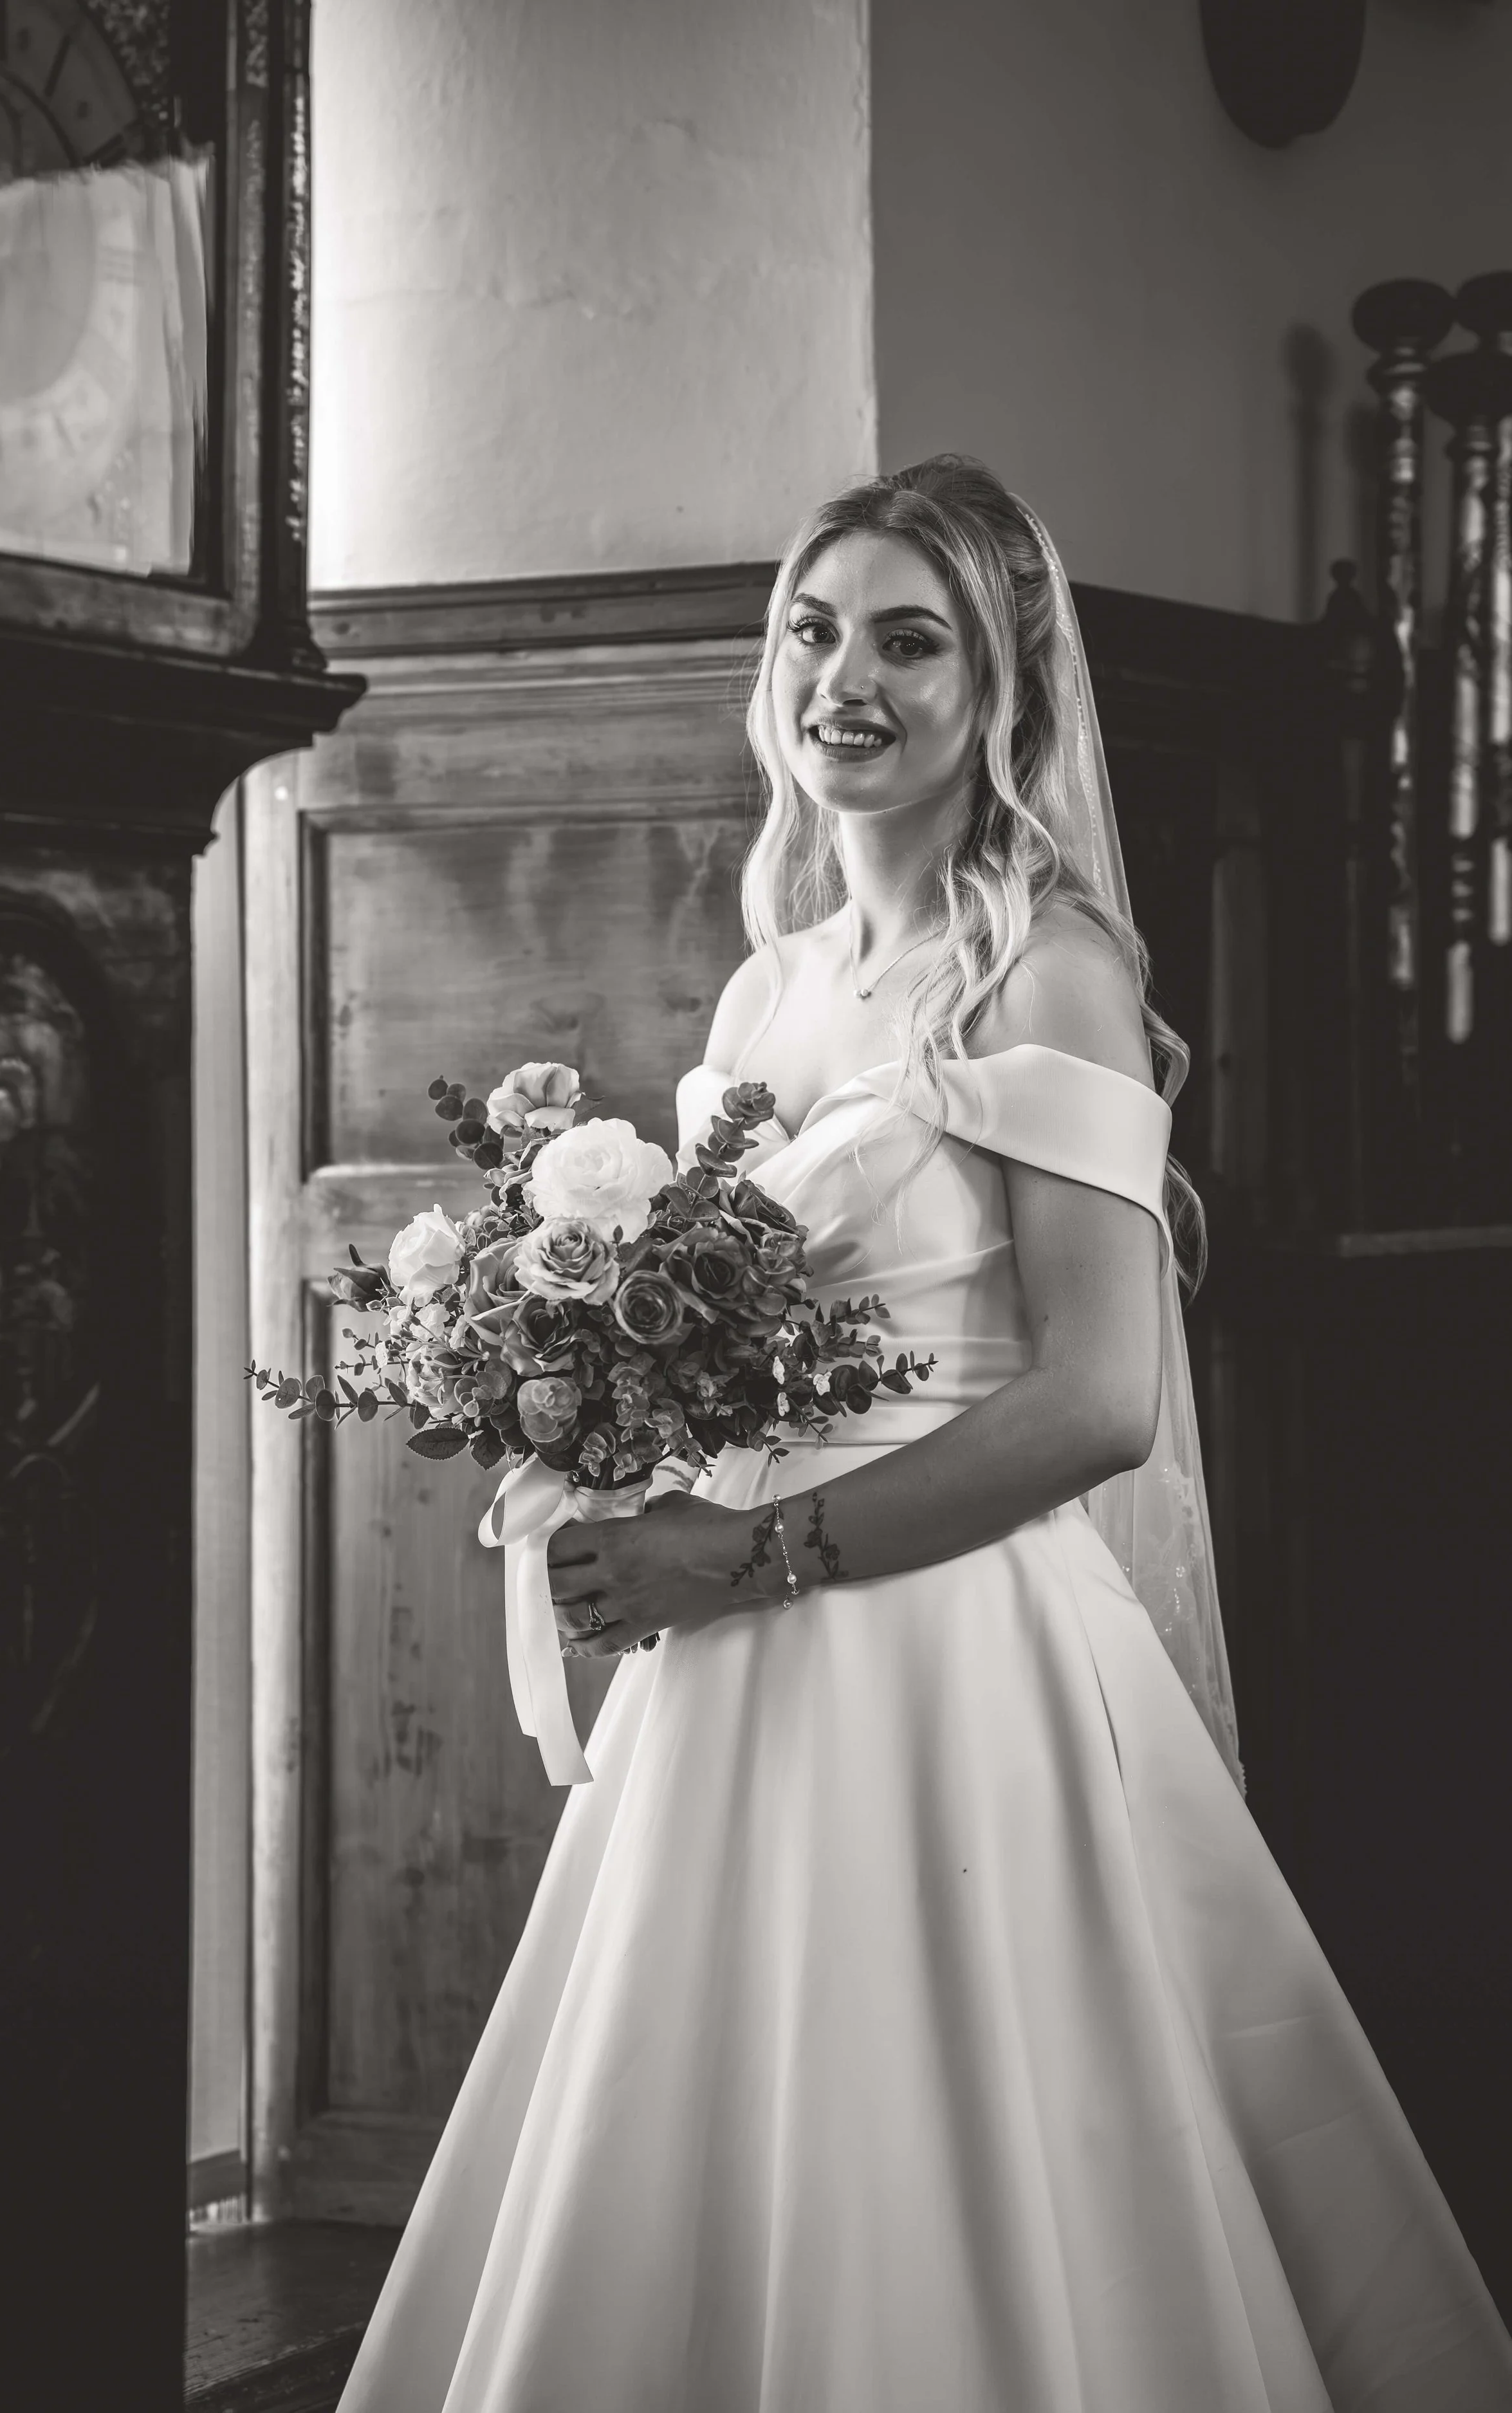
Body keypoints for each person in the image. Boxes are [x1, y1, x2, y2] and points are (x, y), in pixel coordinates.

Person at [339, 457, 1512, 2411]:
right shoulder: (771, 979)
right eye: (811, 630)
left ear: (1003, 690)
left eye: (908, 638)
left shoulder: (1049, 966)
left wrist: (756, 1550)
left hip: (950, 1640)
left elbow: (1097, 1396)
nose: (842, 679)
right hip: (730, 1662)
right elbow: (737, 1341)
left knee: (959, 2157)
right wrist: (608, 1434)